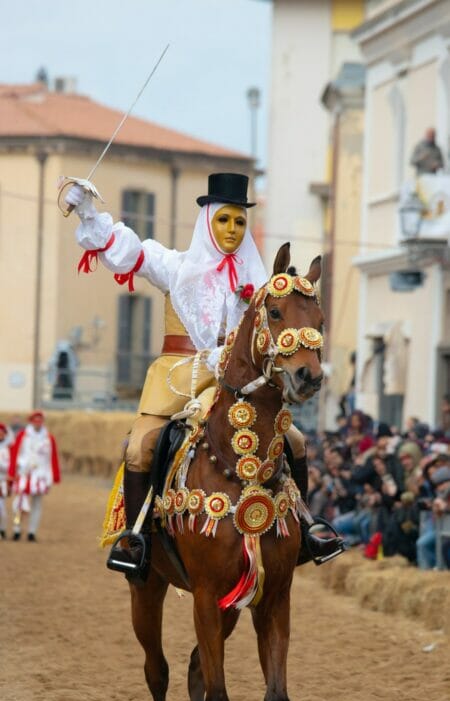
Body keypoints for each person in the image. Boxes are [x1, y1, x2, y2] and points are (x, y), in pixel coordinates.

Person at [65, 173, 343, 573]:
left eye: (240, 222)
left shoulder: (258, 284)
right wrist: (87, 211)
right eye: (225, 220)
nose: (232, 230)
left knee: (295, 441)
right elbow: (122, 251)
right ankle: (137, 538)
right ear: (208, 221)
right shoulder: (175, 267)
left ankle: (304, 526)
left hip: (237, 384)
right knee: (140, 446)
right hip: (179, 376)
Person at [8, 411, 61, 541]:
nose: (38, 423)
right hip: (24, 474)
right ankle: (17, 529)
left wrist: (53, 475)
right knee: (20, 503)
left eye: (40, 421)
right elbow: (15, 453)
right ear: (31, 421)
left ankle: (32, 531)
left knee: (37, 504)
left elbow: (52, 457)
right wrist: (13, 471)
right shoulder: (23, 436)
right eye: (35, 420)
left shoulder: (48, 438)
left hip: (40, 474)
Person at [0, 422, 13, 539]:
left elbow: (9, 466)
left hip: (2, 480)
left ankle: (2, 529)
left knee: (1, 508)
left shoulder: (7, 449)